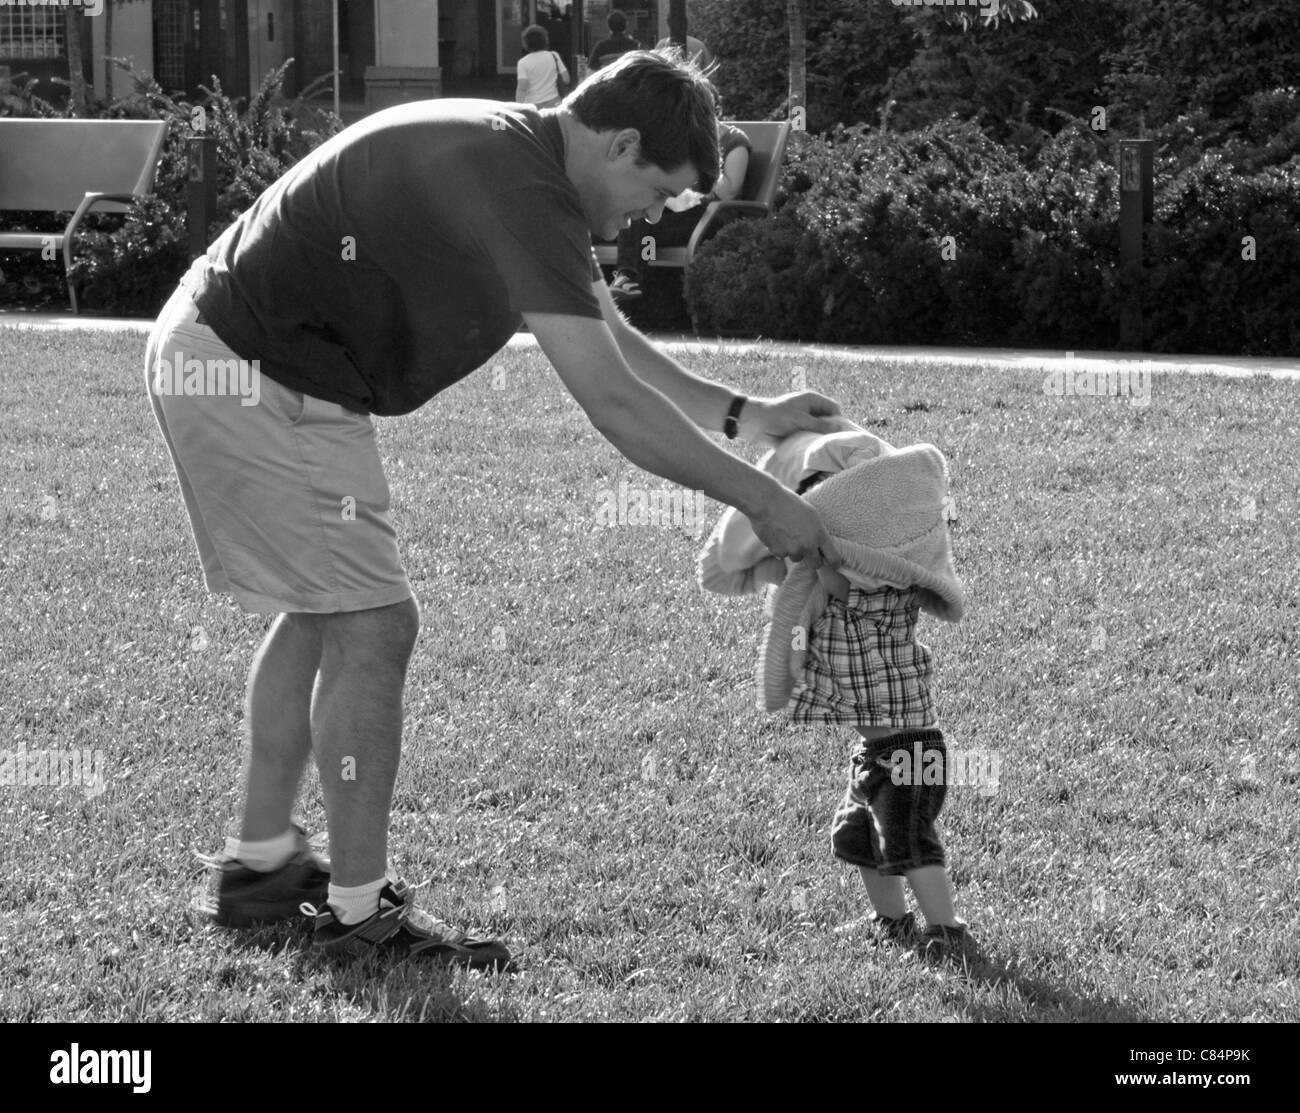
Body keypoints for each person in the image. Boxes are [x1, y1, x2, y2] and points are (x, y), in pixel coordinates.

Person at [149, 49, 843, 969]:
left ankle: (262, 865)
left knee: (326, 616)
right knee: (374, 622)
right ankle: (356, 916)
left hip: (259, 362)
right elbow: (612, 401)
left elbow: (615, 344)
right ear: (622, 142)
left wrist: (745, 416)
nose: (650, 216)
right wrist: (763, 501)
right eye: (659, 193)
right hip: (248, 369)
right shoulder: (519, 181)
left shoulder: (526, 163)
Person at [696, 418, 978, 962]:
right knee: (859, 836)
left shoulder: (881, 585)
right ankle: (891, 922)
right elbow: (766, 564)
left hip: (911, 752)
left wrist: (818, 546)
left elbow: (842, 578)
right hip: (876, 750)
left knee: (908, 840)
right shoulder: (828, 577)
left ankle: (948, 931)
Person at [607, 114, 749, 302]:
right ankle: (628, 279)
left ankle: (632, 281)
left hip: (714, 215)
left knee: (640, 233)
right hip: (683, 210)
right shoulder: (687, 141)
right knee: (637, 214)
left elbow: (728, 191)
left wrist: (702, 164)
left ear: (716, 110)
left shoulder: (734, 141)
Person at [515, 24, 570, 109]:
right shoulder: (554, 56)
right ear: (545, 41)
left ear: (526, 43)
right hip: (554, 103)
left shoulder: (523, 62)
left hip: (532, 106)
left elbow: (522, 88)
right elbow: (566, 79)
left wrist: (519, 107)